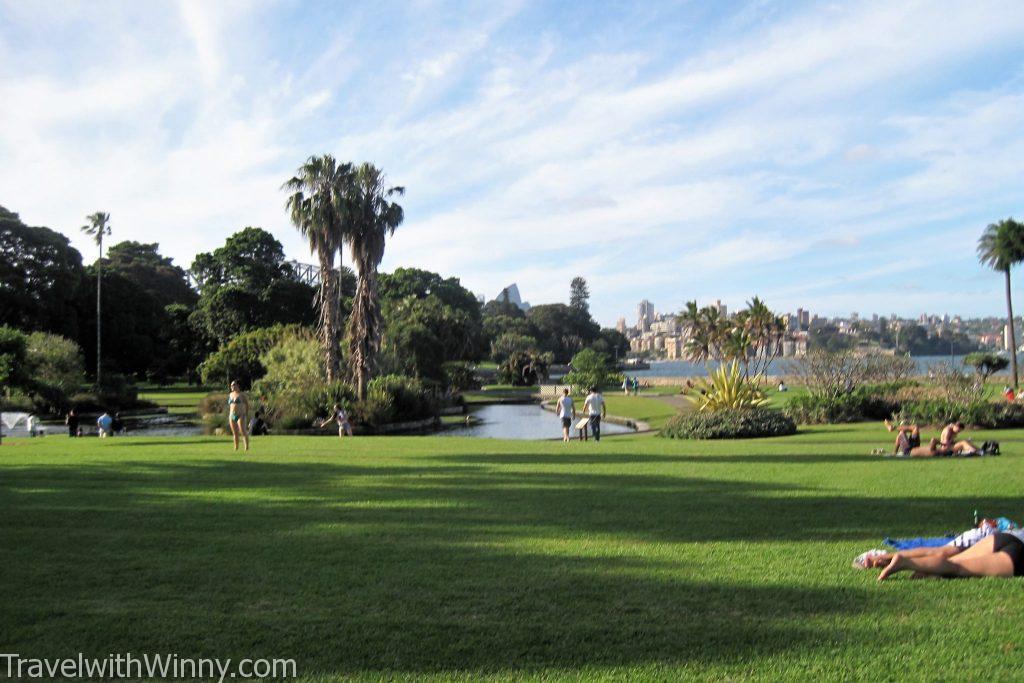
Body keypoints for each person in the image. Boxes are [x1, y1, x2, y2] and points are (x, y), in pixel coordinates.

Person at [876, 530, 1024, 581]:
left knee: (952, 561)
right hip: (1018, 556)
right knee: (957, 568)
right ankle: (906, 563)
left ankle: (926, 570)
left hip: (1005, 537)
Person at [227, 380, 250, 452]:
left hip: (241, 415)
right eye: (231, 385)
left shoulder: (242, 395)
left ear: (238, 385)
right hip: (232, 415)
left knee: (243, 431)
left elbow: (247, 404)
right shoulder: (230, 394)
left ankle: (246, 448)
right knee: (235, 433)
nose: (232, 387)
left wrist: (245, 413)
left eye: (233, 385)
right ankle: (236, 447)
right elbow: (230, 405)